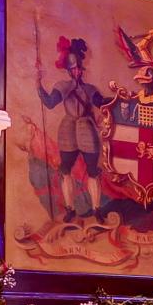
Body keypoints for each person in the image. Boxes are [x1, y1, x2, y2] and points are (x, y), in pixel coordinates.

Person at [37, 36, 106, 221]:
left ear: (81, 68)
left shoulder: (90, 88)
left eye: (78, 68)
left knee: (93, 170)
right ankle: (70, 209)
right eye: (73, 68)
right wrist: (39, 86)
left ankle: (96, 209)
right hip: (68, 129)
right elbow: (51, 103)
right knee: (65, 169)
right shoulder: (63, 86)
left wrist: (114, 102)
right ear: (68, 70)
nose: (76, 71)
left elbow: (101, 103)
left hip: (86, 127)